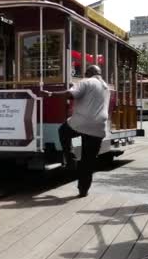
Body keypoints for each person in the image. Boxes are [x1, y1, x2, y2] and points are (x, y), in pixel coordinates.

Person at [41, 65, 110, 198]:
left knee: (63, 131)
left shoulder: (86, 81)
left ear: (88, 73)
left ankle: (70, 158)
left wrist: (50, 94)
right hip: (99, 127)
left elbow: (70, 94)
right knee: (88, 161)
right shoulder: (105, 87)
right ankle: (83, 191)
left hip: (81, 122)